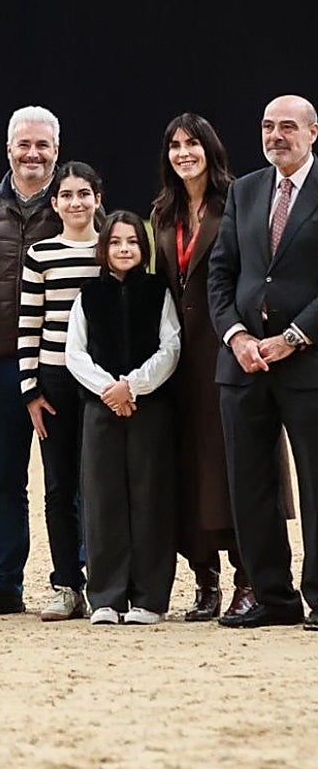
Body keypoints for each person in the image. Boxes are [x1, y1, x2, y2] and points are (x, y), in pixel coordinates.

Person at [209, 94, 318, 630]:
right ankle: (273, 598)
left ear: (313, 132)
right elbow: (221, 274)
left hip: (308, 366)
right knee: (249, 488)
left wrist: (294, 337)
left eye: (288, 127)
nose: (276, 135)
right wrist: (236, 337)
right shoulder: (245, 191)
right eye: (268, 126)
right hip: (244, 365)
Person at [150, 113, 259, 620]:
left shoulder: (237, 200)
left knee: (233, 467)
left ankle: (249, 578)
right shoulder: (162, 212)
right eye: (175, 145)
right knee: (188, 469)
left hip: (226, 350)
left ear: (210, 149)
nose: (183, 152)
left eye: (192, 143)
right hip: (178, 360)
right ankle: (204, 581)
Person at [0, 105, 64, 617]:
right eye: (24, 144)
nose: (32, 153)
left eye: (42, 145)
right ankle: (5, 583)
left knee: (65, 481)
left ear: (56, 152)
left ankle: (73, 578)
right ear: (8, 150)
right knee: (3, 481)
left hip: (59, 364)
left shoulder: (74, 203)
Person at [66, 211, 181, 625]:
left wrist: (133, 386)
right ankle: (106, 598)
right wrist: (109, 390)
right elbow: (74, 353)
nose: (124, 249)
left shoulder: (158, 291)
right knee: (103, 501)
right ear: (104, 248)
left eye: (132, 241)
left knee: (151, 500)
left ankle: (149, 599)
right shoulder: (89, 295)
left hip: (150, 409)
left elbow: (171, 347)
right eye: (115, 242)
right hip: (100, 410)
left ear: (143, 247)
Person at [19, 161, 104, 621]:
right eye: (67, 195)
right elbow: (29, 324)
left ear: (97, 199)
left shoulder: (113, 250)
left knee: (102, 484)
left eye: (84, 194)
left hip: (101, 382)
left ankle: (107, 584)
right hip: (54, 381)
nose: (76, 202)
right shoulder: (41, 255)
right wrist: (30, 390)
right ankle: (68, 584)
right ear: (55, 203)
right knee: (59, 486)